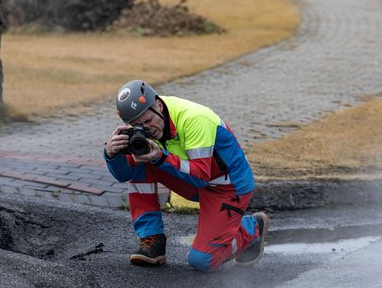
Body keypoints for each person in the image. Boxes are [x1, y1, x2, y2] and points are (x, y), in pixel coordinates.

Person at [104, 80, 268, 272]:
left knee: (203, 261)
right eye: (137, 125)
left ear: (158, 104)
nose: (147, 129)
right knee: (140, 162)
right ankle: (152, 240)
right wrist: (110, 153)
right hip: (192, 179)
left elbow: (200, 177)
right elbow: (125, 175)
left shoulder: (195, 119)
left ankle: (251, 229)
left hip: (228, 187)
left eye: (148, 121)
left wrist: (160, 156)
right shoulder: (143, 125)